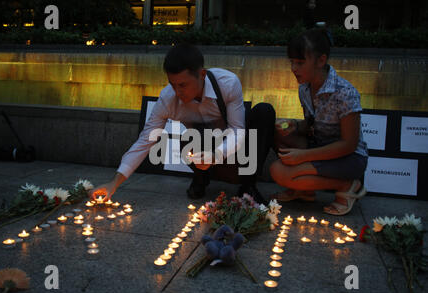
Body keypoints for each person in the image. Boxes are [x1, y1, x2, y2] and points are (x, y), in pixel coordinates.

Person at [90, 44, 276, 204]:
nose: (177, 91)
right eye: (172, 84)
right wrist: (113, 183)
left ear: (202, 75)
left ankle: (248, 186)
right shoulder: (167, 99)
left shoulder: (227, 83)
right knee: (191, 136)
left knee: (264, 112)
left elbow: (237, 130)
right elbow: (145, 141)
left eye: (183, 85)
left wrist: (217, 154)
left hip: (233, 149)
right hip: (198, 148)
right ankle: (200, 178)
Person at [270, 29, 368, 215]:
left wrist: (303, 156)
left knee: (280, 172)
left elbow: (349, 144)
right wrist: (295, 126)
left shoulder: (345, 92)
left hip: (348, 158)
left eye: (300, 62)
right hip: (319, 146)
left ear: (321, 60)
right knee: (277, 133)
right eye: (291, 62)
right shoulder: (304, 88)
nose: (293, 68)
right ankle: (304, 190)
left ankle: (347, 185)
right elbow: (312, 124)